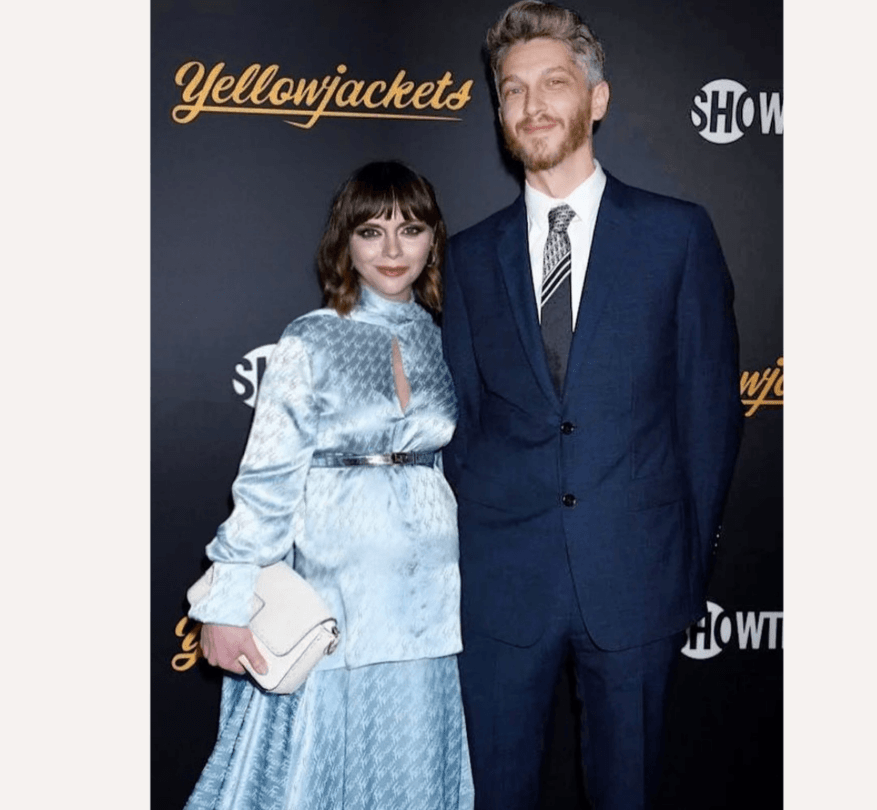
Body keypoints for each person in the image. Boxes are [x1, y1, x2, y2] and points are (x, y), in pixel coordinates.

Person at [440, 3, 743, 809]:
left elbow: (709, 415)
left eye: (553, 82)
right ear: (499, 111)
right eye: (513, 90)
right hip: (502, 586)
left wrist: (684, 566)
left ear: (596, 99)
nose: (533, 104)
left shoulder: (677, 236)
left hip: (635, 577)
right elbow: (463, 424)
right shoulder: (467, 258)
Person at [183, 161, 473, 810]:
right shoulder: (310, 341)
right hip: (336, 600)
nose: (393, 250)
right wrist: (228, 601)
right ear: (345, 242)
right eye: (372, 232)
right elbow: (265, 482)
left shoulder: (439, 339)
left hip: (426, 606)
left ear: (433, 240)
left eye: (412, 229)